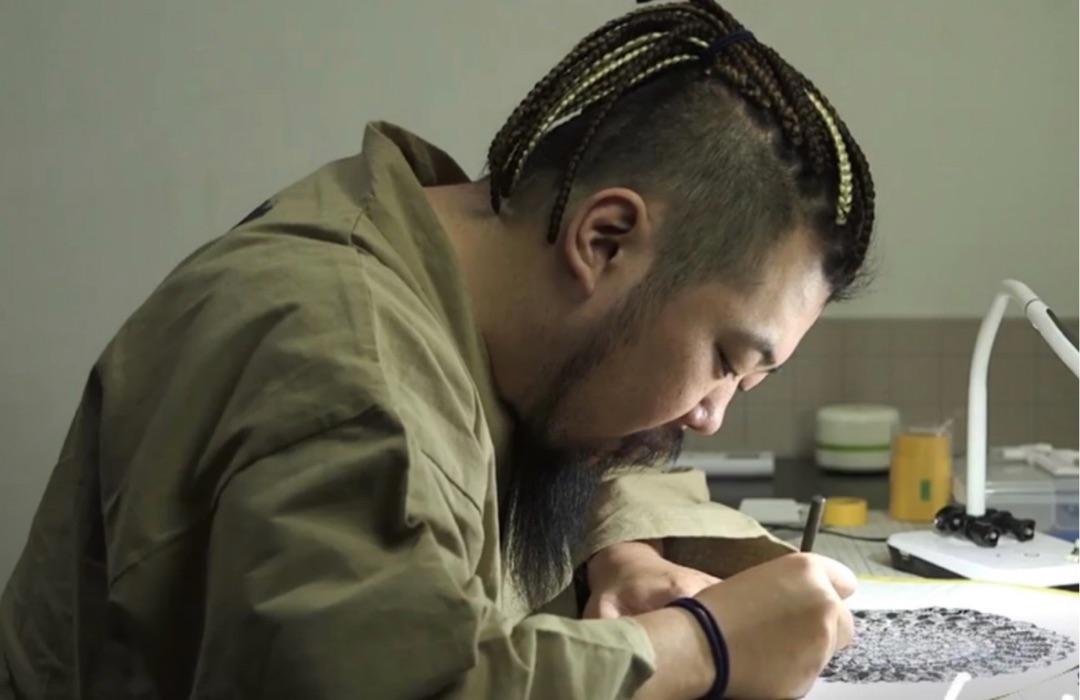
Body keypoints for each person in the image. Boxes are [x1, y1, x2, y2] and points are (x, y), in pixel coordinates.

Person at [0, 1, 876, 698]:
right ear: (605, 239)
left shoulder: (447, 274)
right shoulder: (338, 367)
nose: (711, 417)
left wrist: (625, 554)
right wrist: (703, 646)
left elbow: (588, 461)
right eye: (725, 360)